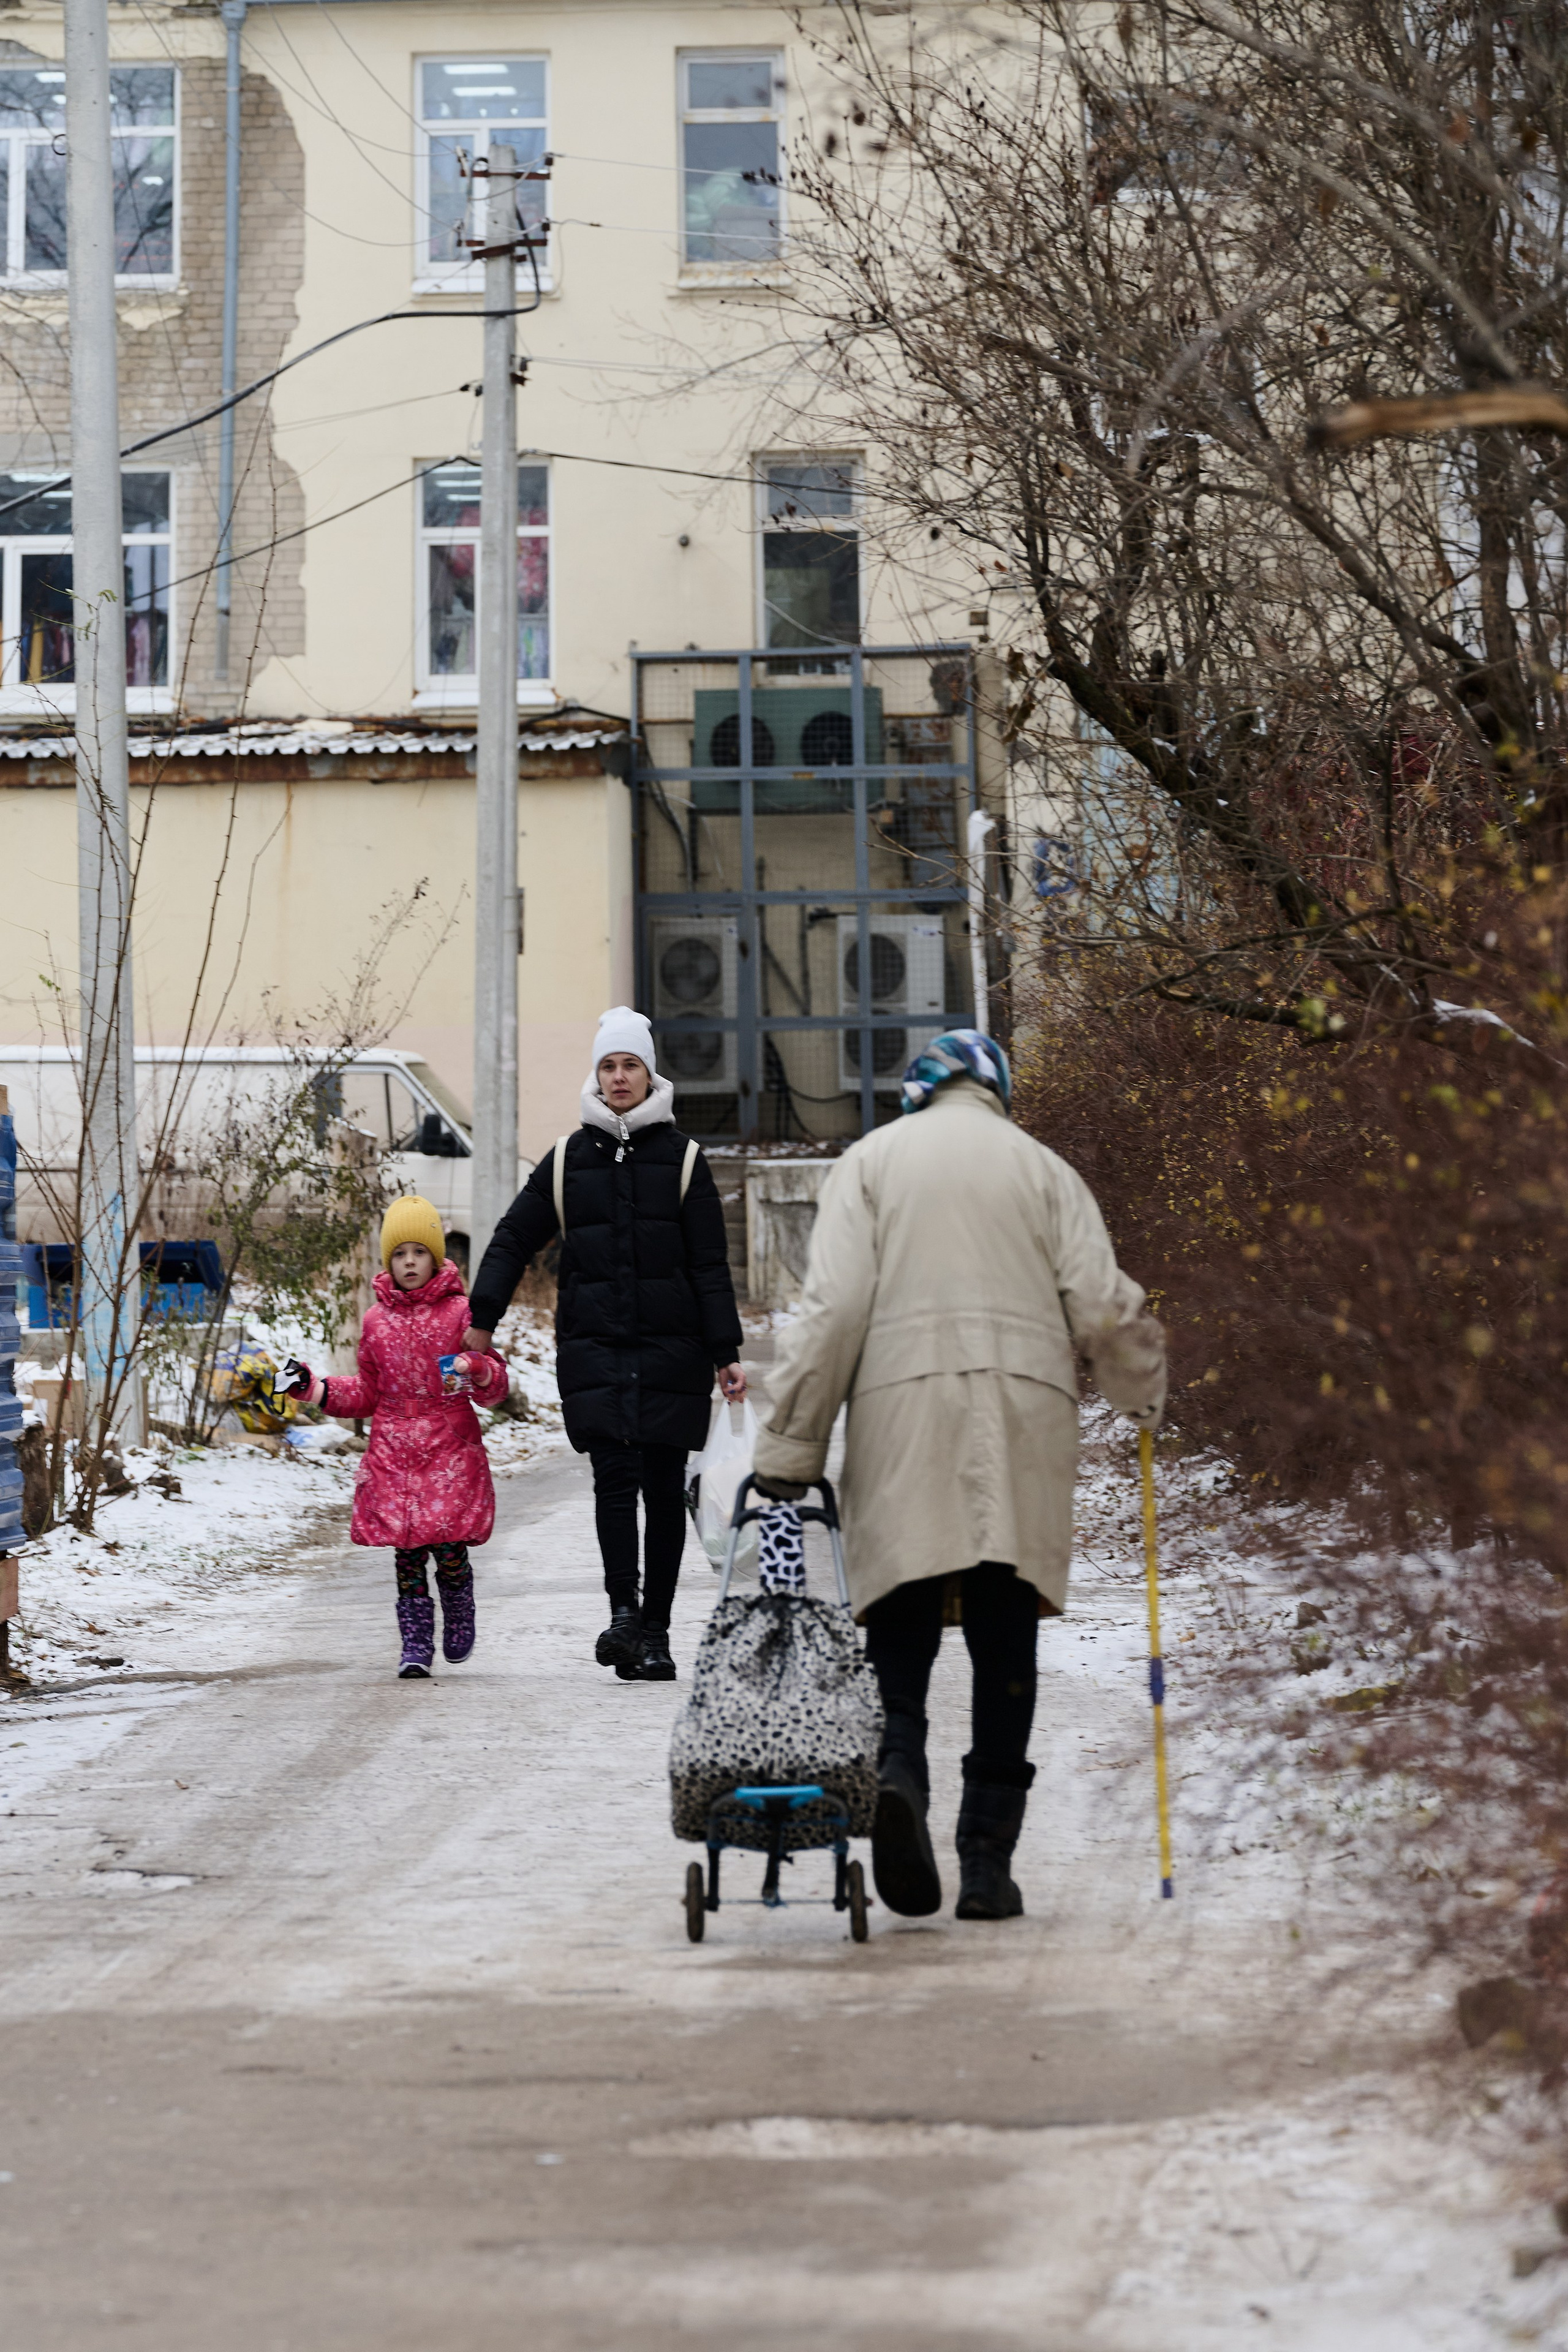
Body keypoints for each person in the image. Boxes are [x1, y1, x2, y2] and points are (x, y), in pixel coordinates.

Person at [750, 1030, 1165, 1922]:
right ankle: (987, 1862)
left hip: (902, 1410)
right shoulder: (1043, 1169)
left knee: (902, 1611)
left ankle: (899, 1769)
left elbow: (831, 1317)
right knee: (1003, 1633)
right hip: (1023, 1416)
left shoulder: (870, 1163)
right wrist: (1141, 1396)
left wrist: (790, 1450)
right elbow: (1101, 1303)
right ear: (996, 1087)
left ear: (921, 1091)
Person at [463, 1007, 745, 1683]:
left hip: (671, 1350)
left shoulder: (684, 1163)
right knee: (614, 1483)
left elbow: (709, 1265)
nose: (619, 1078)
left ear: (651, 1074)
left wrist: (725, 1350)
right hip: (595, 1347)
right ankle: (624, 1612)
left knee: (660, 1483)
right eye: (609, 1066)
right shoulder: (566, 1162)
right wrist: (482, 1319)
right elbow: (511, 1239)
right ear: (597, 1074)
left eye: (631, 1066)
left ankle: (657, 1632)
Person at [287, 1196, 509, 1679]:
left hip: (448, 1447)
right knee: (407, 1555)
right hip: (394, 1452)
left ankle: (459, 1603)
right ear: (388, 1260)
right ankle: (414, 1644)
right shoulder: (376, 1322)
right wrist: (316, 1389)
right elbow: (368, 1392)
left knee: (449, 1550)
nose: (410, 1262)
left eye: (420, 1252)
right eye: (400, 1253)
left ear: (437, 1257)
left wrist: (479, 1370)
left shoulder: (462, 1314)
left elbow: (494, 1389)